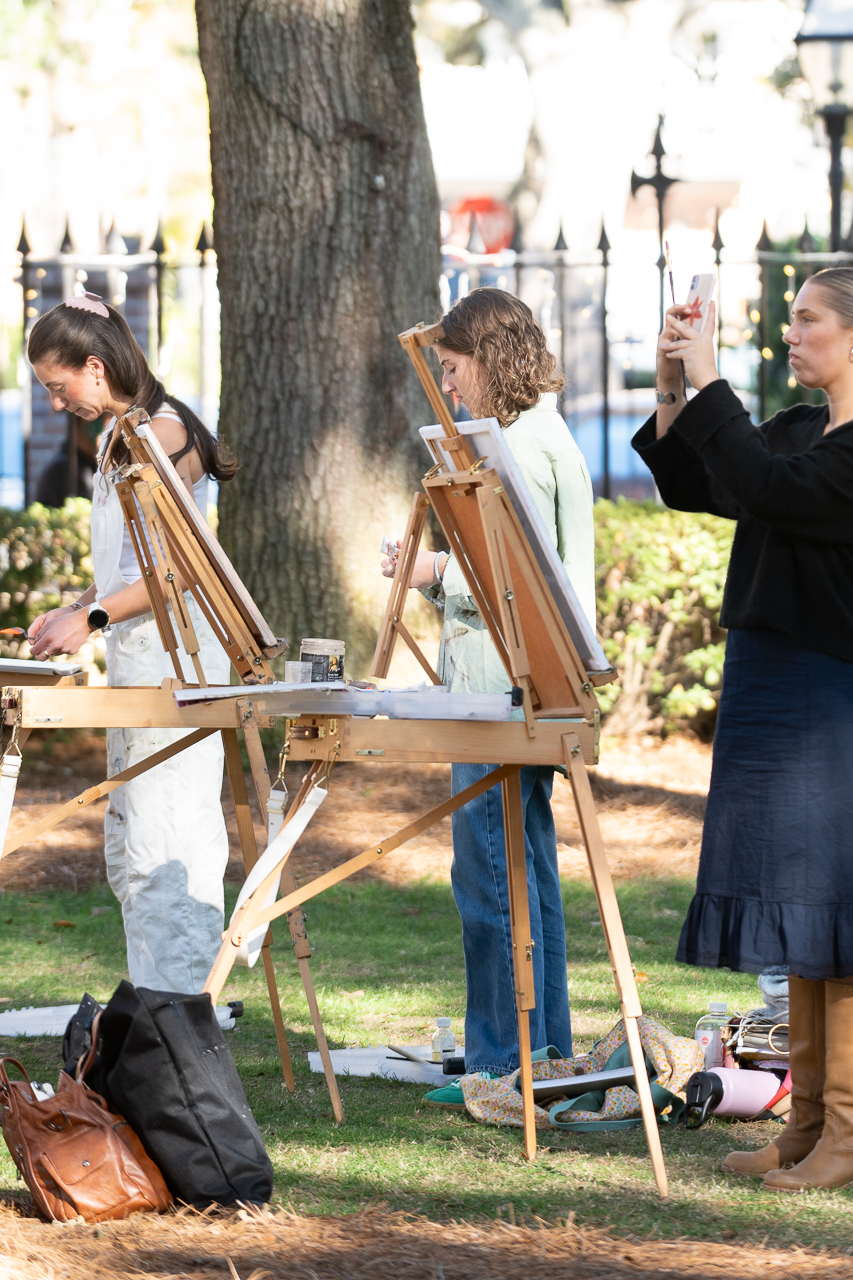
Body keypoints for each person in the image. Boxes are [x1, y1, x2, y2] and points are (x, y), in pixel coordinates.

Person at [632, 268, 853, 1193]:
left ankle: (845, 1128)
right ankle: (804, 1124)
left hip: (828, 693)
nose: (789, 334)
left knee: (836, 915)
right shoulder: (805, 429)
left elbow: (763, 483)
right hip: (768, 681)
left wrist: (715, 374)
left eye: (806, 320)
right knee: (797, 914)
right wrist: (677, 383)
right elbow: (700, 483)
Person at [382, 288, 595, 1101]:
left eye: (454, 365)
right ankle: (541, 1057)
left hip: (506, 689)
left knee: (489, 883)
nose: (449, 381)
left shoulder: (523, 447)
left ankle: (502, 1065)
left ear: (489, 357)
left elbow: (535, 586)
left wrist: (435, 572)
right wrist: (443, 581)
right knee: (523, 871)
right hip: (511, 681)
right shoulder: (530, 437)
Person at [25, 291, 239, 995]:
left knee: (164, 843)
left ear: (94, 365)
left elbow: (179, 571)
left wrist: (89, 622)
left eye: (59, 388)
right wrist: (80, 605)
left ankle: (180, 1018)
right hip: (142, 665)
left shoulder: (163, 434)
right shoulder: (125, 432)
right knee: (132, 846)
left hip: (177, 667)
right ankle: (160, 1010)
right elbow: (131, 565)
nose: (57, 404)